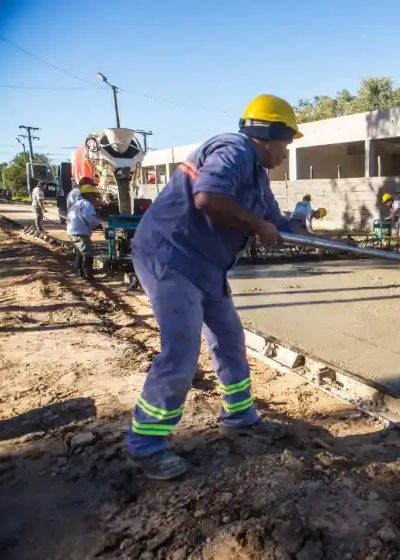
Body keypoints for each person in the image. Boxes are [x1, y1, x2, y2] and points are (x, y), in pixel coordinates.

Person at [127, 94, 315, 480]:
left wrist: (303, 231)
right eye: (286, 142)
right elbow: (208, 198)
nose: (286, 152)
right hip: (171, 257)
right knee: (181, 350)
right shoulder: (234, 149)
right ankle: (146, 445)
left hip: (208, 265)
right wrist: (257, 226)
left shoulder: (258, 178)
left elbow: (274, 224)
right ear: (269, 134)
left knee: (229, 339)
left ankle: (240, 417)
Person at [66, 184, 102, 279]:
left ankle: (79, 271)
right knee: (87, 252)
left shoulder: (77, 204)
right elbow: (89, 217)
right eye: (94, 197)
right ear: (89, 195)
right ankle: (88, 273)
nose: (95, 199)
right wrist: (97, 224)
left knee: (79, 252)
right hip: (79, 232)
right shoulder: (87, 204)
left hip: (72, 230)